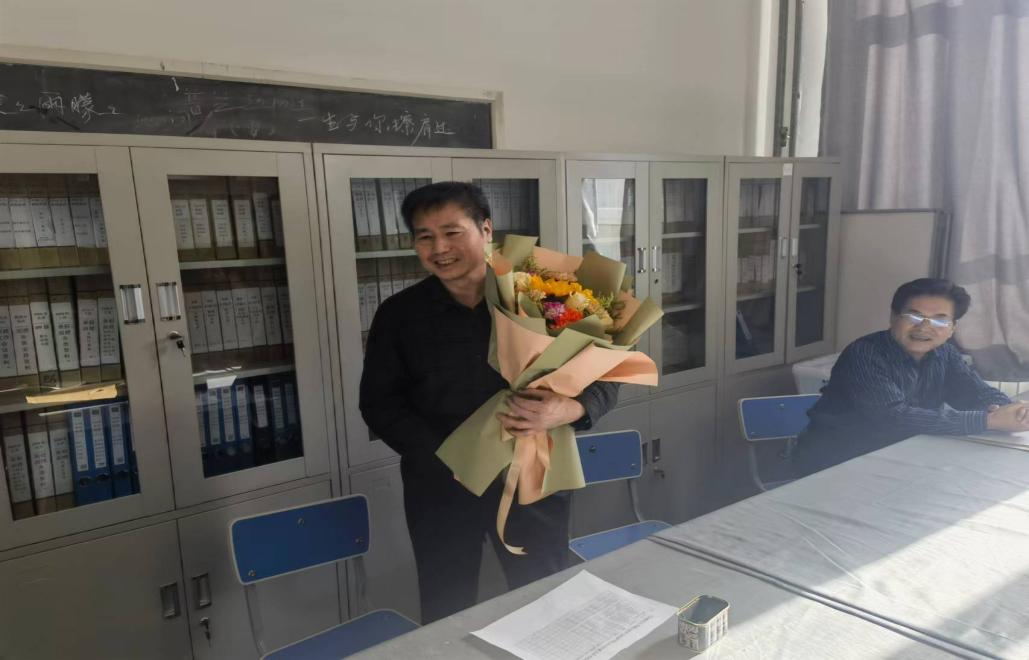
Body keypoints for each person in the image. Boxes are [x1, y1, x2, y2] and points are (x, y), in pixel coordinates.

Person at [359, 181, 619, 623]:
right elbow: (379, 404)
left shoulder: (542, 298)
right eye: (425, 237)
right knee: (446, 608)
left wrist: (570, 409)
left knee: (544, 602)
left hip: (532, 477)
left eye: (452, 232)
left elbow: (607, 371)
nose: (439, 248)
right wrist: (451, 456)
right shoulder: (400, 314)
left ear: (485, 229)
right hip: (441, 487)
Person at [797, 277, 1029, 475]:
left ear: (952, 328)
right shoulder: (864, 354)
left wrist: (1008, 410)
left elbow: (975, 392)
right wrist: (988, 421)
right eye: (914, 317)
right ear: (893, 317)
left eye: (939, 320)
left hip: (902, 456)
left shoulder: (945, 353)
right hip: (837, 464)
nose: (924, 327)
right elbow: (893, 418)